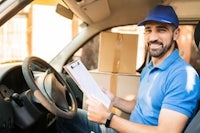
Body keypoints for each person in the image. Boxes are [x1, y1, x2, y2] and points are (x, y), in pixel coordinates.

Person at [56, 5, 200, 133]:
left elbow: (166, 131)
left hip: (119, 126)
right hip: (125, 127)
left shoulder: (183, 76)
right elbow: (140, 106)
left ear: (176, 34)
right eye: (148, 30)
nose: (153, 37)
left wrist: (108, 118)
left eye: (161, 30)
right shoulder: (149, 69)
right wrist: (114, 100)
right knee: (65, 115)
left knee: (64, 116)